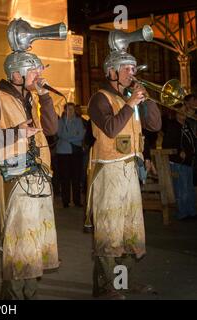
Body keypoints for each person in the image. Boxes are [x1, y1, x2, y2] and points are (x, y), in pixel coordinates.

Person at [0, 24, 60, 299]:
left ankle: (30, 294)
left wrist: (45, 96)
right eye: (34, 71)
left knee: (35, 242)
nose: (39, 75)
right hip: (14, 179)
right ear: (16, 74)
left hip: (38, 177)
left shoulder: (33, 99)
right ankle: (13, 298)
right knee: (19, 244)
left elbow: (51, 130)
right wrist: (17, 132)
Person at [87, 28, 161, 299]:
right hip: (108, 171)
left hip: (130, 171)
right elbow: (109, 128)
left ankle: (123, 283)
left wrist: (148, 99)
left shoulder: (131, 98)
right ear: (111, 72)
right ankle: (105, 287)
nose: (132, 73)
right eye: (127, 69)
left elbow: (155, 125)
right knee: (109, 229)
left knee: (130, 228)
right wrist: (130, 103)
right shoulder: (99, 98)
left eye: (133, 68)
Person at [162, 105, 196, 220]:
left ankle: (191, 211)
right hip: (178, 162)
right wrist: (178, 152)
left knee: (189, 187)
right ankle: (183, 213)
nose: (183, 113)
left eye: (184, 111)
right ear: (175, 113)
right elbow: (166, 144)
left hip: (188, 161)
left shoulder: (187, 125)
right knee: (182, 188)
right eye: (180, 111)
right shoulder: (172, 125)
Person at [56, 102, 85, 208]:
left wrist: (68, 137)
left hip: (76, 153)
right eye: (68, 109)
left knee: (76, 178)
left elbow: (81, 135)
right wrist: (73, 136)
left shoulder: (78, 121)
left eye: (72, 109)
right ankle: (65, 201)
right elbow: (60, 134)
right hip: (63, 153)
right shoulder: (61, 121)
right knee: (65, 178)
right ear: (64, 110)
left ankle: (77, 201)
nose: (71, 111)